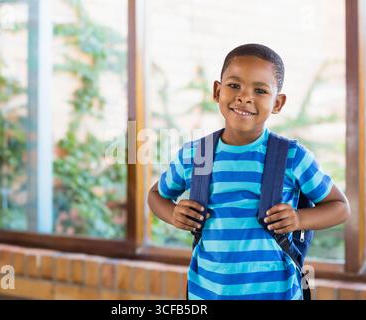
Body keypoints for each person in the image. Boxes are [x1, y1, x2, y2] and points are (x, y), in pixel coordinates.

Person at [147, 43, 350, 300]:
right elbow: (155, 195)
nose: (244, 96)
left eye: (260, 90)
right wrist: (172, 213)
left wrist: (299, 219)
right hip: (206, 293)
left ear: (278, 103)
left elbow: (340, 207)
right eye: (234, 86)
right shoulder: (196, 155)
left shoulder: (292, 157)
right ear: (217, 91)